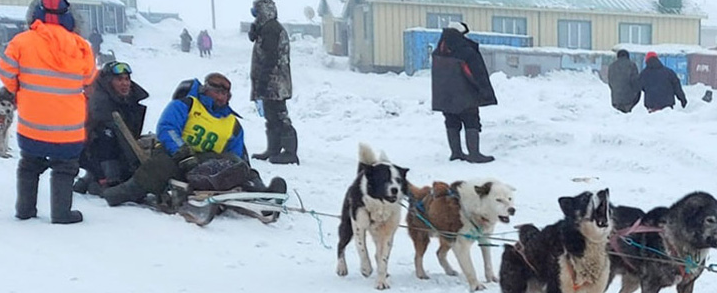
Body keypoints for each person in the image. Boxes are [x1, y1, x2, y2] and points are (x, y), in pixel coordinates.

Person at [100, 73, 286, 219]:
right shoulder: (187, 105)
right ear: (206, 90)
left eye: (226, 94)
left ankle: (264, 195)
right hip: (176, 155)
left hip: (206, 163)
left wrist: (237, 169)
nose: (222, 98)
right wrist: (182, 152)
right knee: (159, 167)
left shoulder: (232, 123)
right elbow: (168, 128)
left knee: (240, 167)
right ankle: (121, 193)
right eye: (218, 92)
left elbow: (235, 154)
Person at [0, 0, 96, 224]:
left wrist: (17, 89)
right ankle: (62, 213)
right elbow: (89, 78)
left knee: (29, 165)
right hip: (69, 128)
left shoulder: (21, 42)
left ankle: (25, 209)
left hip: (32, 124)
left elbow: (6, 72)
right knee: (65, 168)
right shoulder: (81, 46)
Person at [73, 61, 149, 195]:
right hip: (94, 154)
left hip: (119, 153)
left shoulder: (129, 101)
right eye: (119, 79)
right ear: (109, 82)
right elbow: (115, 138)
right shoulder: (100, 104)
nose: (125, 83)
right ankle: (107, 180)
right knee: (106, 134)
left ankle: (92, 179)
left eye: (127, 79)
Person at [431, 21, 496, 163]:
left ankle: (456, 153)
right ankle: (474, 154)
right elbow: (476, 74)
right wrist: (483, 90)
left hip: (444, 95)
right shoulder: (466, 52)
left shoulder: (438, 51)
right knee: (471, 121)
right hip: (466, 94)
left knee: (451, 121)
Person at [249, 0, 299, 165]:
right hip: (272, 80)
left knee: (279, 115)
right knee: (271, 115)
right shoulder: (267, 28)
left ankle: (290, 152)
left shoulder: (272, 29)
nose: (254, 14)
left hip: (275, 81)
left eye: (256, 11)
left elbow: (270, 57)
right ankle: (274, 149)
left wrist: (263, 81)